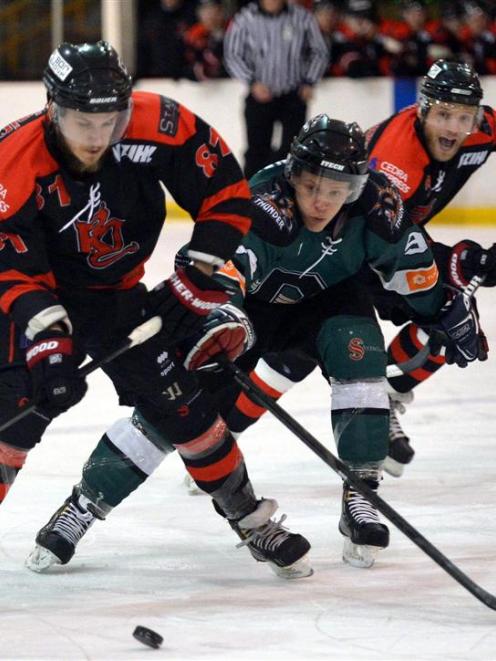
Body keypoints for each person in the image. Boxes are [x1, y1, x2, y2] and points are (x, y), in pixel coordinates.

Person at [26, 114, 483, 572]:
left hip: (328, 304)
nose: (321, 201)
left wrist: (443, 308)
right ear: (292, 175)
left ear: (357, 186)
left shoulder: (379, 206)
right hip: (250, 311)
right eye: (310, 185)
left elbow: (414, 270)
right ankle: (82, 507)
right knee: (173, 406)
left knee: (359, 352)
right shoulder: (264, 203)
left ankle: (360, 495)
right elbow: (224, 268)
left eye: (335, 190)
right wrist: (221, 314)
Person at [0, 40, 312, 580]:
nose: (98, 138)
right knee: (16, 413)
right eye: (82, 124)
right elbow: (11, 271)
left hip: (118, 295)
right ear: (53, 109)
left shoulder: (158, 123)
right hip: (35, 298)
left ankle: (249, 518)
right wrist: (51, 349)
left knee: (184, 407)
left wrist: (199, 270)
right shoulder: (12, 162)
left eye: (110, 121)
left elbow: (226, 193)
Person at [223, 0, 328, 178]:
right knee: (256, 149)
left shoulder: (302, 17)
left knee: (294, 150)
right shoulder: (245, 18)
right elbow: (232, 55)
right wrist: (252, 82)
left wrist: (309, 81)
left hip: (293, 95)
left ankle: (289, 194)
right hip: (259, 95)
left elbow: (319, 51)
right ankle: (253, 194)